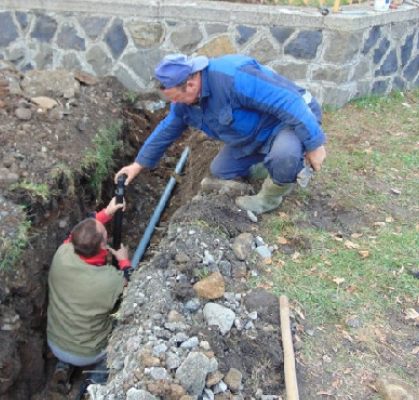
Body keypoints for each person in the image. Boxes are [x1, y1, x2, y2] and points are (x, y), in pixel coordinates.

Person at [115, 53, 327, 214]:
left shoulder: (231, 77)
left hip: (284, 122)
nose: (174, 103)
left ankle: (270, 198)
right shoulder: (186, 102)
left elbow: (289, 102)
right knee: (221, 169)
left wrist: (315, 144)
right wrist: (137, 165)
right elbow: (167, 129)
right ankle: (272, 167)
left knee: (285, 155)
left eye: (175, 98)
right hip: (255, 136)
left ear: (190, 85)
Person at [46, 197, 130, 390]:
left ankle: (63, 366)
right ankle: (97, 379)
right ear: (103, 246)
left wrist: (107, 212)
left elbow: (81, 231)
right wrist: (124, 262)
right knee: (126, 323)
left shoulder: (62, 252)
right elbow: (134, 289)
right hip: (90, 352)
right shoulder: (110, 280)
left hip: (55, 343)